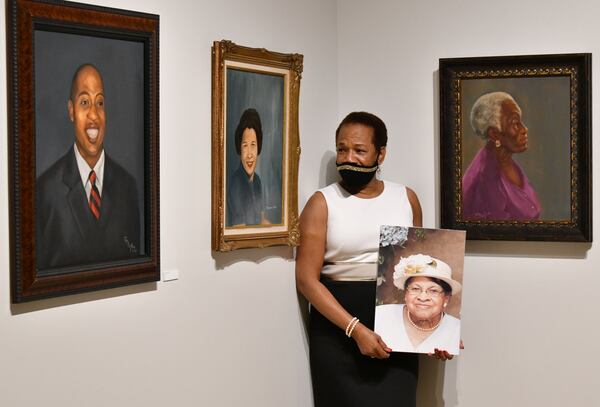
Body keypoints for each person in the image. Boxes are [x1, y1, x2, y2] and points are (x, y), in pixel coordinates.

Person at [296, 112, 452, 407]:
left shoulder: (406, 198)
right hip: (338, 327)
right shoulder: (322, 202)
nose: (348, 158)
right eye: (342, 149)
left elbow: (420, 268)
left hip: (396, 323)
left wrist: (436, 332)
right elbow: (306, 279)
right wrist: (355, 330)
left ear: (381, 154)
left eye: (359, 150)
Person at [36, 63, 140, 271]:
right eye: (84, 102)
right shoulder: (46, 190)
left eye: (99, 103)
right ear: (71, 111)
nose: (94, 115)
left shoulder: (127, 186)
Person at [462, 91, 541, 220]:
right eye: (515, 122)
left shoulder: (507, 163)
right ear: (494, 134)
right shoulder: (484, 179)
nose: (524, 129)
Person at [375, 254, 461, 354]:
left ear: (446, 299)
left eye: (433, 291)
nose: (423, 297)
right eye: (415, 289)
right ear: (405, 294)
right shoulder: (380, 315)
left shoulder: (457, 330)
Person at [226, 108, 267, 227]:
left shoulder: (258, 181)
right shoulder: (236, 184)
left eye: (253, 145)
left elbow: (262, 221)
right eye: (245, 146)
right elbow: (240, 231)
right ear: (239, 148)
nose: (249, 154)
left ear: (259, 147)